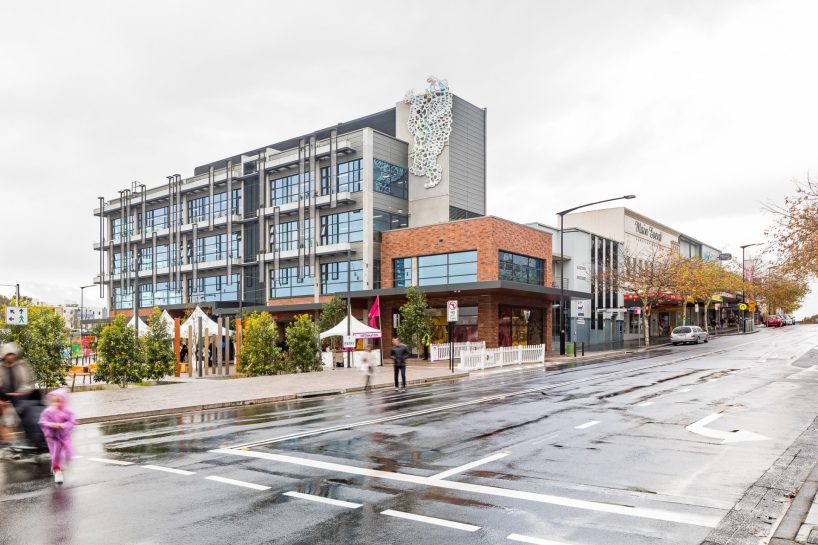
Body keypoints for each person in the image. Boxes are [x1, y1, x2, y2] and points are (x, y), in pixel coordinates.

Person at [38, 388, 76, 484]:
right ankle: (57, 471)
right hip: (52, 437)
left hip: (64, 437)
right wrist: (52, 425)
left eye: (59, 401)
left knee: (63, 454)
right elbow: (42, 421)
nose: (56, 404)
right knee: (55, 453)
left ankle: (56, 466)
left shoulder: (68, 411)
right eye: (54, 401)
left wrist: (63, 425)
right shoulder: (49, 411)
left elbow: (72, 422)